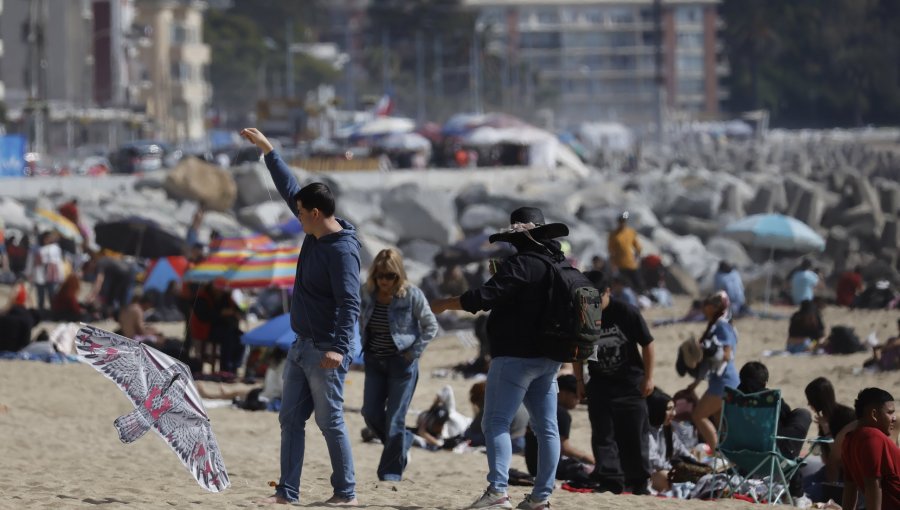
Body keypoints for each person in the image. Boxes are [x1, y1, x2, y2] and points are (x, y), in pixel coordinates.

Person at [242, 127, 361, 506]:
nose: (296, 217)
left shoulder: (342, 251)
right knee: (289, 420)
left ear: (315, 214)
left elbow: (350, 303)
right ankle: (287, 492)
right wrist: (268, 151)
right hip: (301, 345)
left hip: (327, 350)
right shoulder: (314, 230)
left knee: (331, 423)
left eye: (300, 213)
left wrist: (341, 349)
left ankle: (345, 494)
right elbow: (290, 188)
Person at [431, 206, 570, 510]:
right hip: (549, 359)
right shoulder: (558, 264)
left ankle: (497, 492)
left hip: (515, 358)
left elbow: (483, 298)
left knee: (495, 423)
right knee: (547, 428)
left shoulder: (521, 264)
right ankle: (541, 498)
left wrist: (444, 304)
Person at [359, 248, 439, 481]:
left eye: (391, 276)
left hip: (401, 365)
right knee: (370, 413)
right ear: (374, 275)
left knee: (395, 418)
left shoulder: (412, 294)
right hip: (374, 360)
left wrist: (414, 352)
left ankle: (390, 474)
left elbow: (430, 325)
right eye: (380, 275)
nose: (385, 281)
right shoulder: (366, 292)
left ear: (399, 275)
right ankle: (404, 441)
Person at [574, 272, 655, 495]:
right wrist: (580, 380)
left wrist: (648, 378)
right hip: (599, 382)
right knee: (603, 436)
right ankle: (610, 480)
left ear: (608, 291)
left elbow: (647, 344)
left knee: (634, 436)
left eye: (596, 299)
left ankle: (638, 482)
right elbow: (579, 350)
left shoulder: (626, 312)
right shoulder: (584, 314)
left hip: (630, 382)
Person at [687, 292, 739, 450]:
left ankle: (717, 452)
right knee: (718, 419)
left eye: (707, 304)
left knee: (699, 415)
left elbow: (726, 354)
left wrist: (703, 349)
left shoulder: (721, 325)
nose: (704, 307)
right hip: (720, 380)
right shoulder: (718, 324)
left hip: (724, 381)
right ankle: (726, 453)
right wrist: (695, 384)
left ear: (715, 307)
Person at [524, 375, 595, 481]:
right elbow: (564, 448)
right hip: (552, 469)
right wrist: (591, 459)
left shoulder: (539, 408)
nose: (579, 400)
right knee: (593, 469)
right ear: (563, 393)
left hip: (533, 467)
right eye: (576, 396)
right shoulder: (561, 414)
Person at [737, 362, 812, 459]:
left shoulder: (732, 398)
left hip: (737, 450)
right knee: (803, 414)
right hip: (769, 452)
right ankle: (790, 458)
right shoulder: (770, 398)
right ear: (764, 382)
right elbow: (786, 415)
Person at [842, 387, 899, 510]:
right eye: (890, 412)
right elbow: (872, 485)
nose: (894, 418)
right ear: (874, 414)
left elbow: (850, 488)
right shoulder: (872, 437)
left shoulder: (849, 439)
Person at [803, 377, 858, 500]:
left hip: (844, 476)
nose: (808, 404)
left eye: (810, 400)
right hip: (828, 470)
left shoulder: (847, 417)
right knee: (798, 487)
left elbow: (838, 455)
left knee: (809, 493)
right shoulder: (825, 417)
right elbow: (825, 459)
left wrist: (826, 430)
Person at [645, 388, 694, 493]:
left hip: (665, 470)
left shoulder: (665, 428)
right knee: (666, 476)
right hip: (650, 476)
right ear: (657, 409)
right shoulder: (646, 433)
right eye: (669, 409)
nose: (674, 413)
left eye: (674, 408)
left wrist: (693, 461)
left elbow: (679, 448)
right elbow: (653, 460)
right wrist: (672, 468)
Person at [607, 211, 642, 292]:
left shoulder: (631, 232)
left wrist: (637, 256)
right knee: (622, 283)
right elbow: (611, 250)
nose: (622, 223)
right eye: (621, 221)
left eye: (624, 221)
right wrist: (613, 264)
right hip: (619, 264)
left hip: (631, 263)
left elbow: (637, 246)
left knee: (637, 282)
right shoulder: (613, 235)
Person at [31, 231, 65, 312]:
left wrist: (61, 276)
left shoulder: (55, 248)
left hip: (52, 275)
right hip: (40, 274)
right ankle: (41, 310)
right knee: (41, 295)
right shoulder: (37, 248)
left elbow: (58, 263)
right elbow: (33, 262)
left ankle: (53, 310)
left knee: (52, 294)